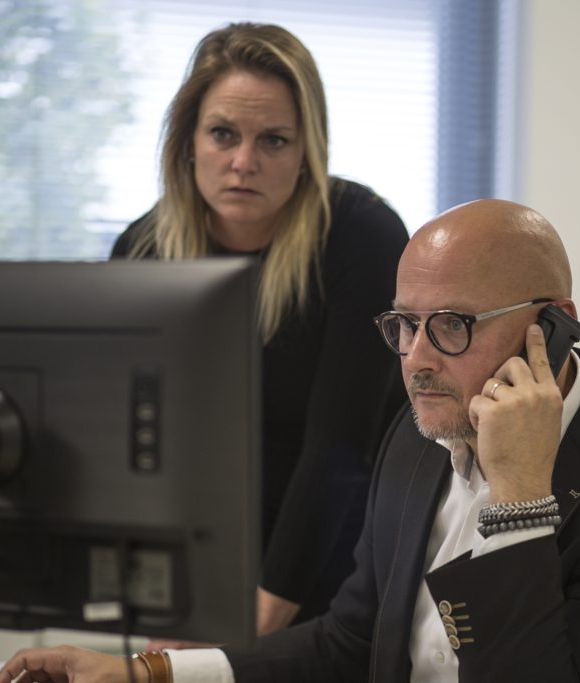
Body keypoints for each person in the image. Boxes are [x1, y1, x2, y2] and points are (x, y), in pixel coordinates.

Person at [0, 199, 580, 682]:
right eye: (402, 324)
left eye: (452, 324)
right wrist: (141, 673)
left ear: (550, 325)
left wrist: (520, 500)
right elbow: (348, 643)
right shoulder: (421, 434)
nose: (416, 358)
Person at [109, 22, 409, 635]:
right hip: (201, 547)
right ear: (188, 141)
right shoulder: (142, 250)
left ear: (306, 152)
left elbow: (337, 449)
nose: (244, 162)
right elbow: (137, 449)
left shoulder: (361, 237)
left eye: (274, 140)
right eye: (223, 134)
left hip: (341, 551)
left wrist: (256, 629)